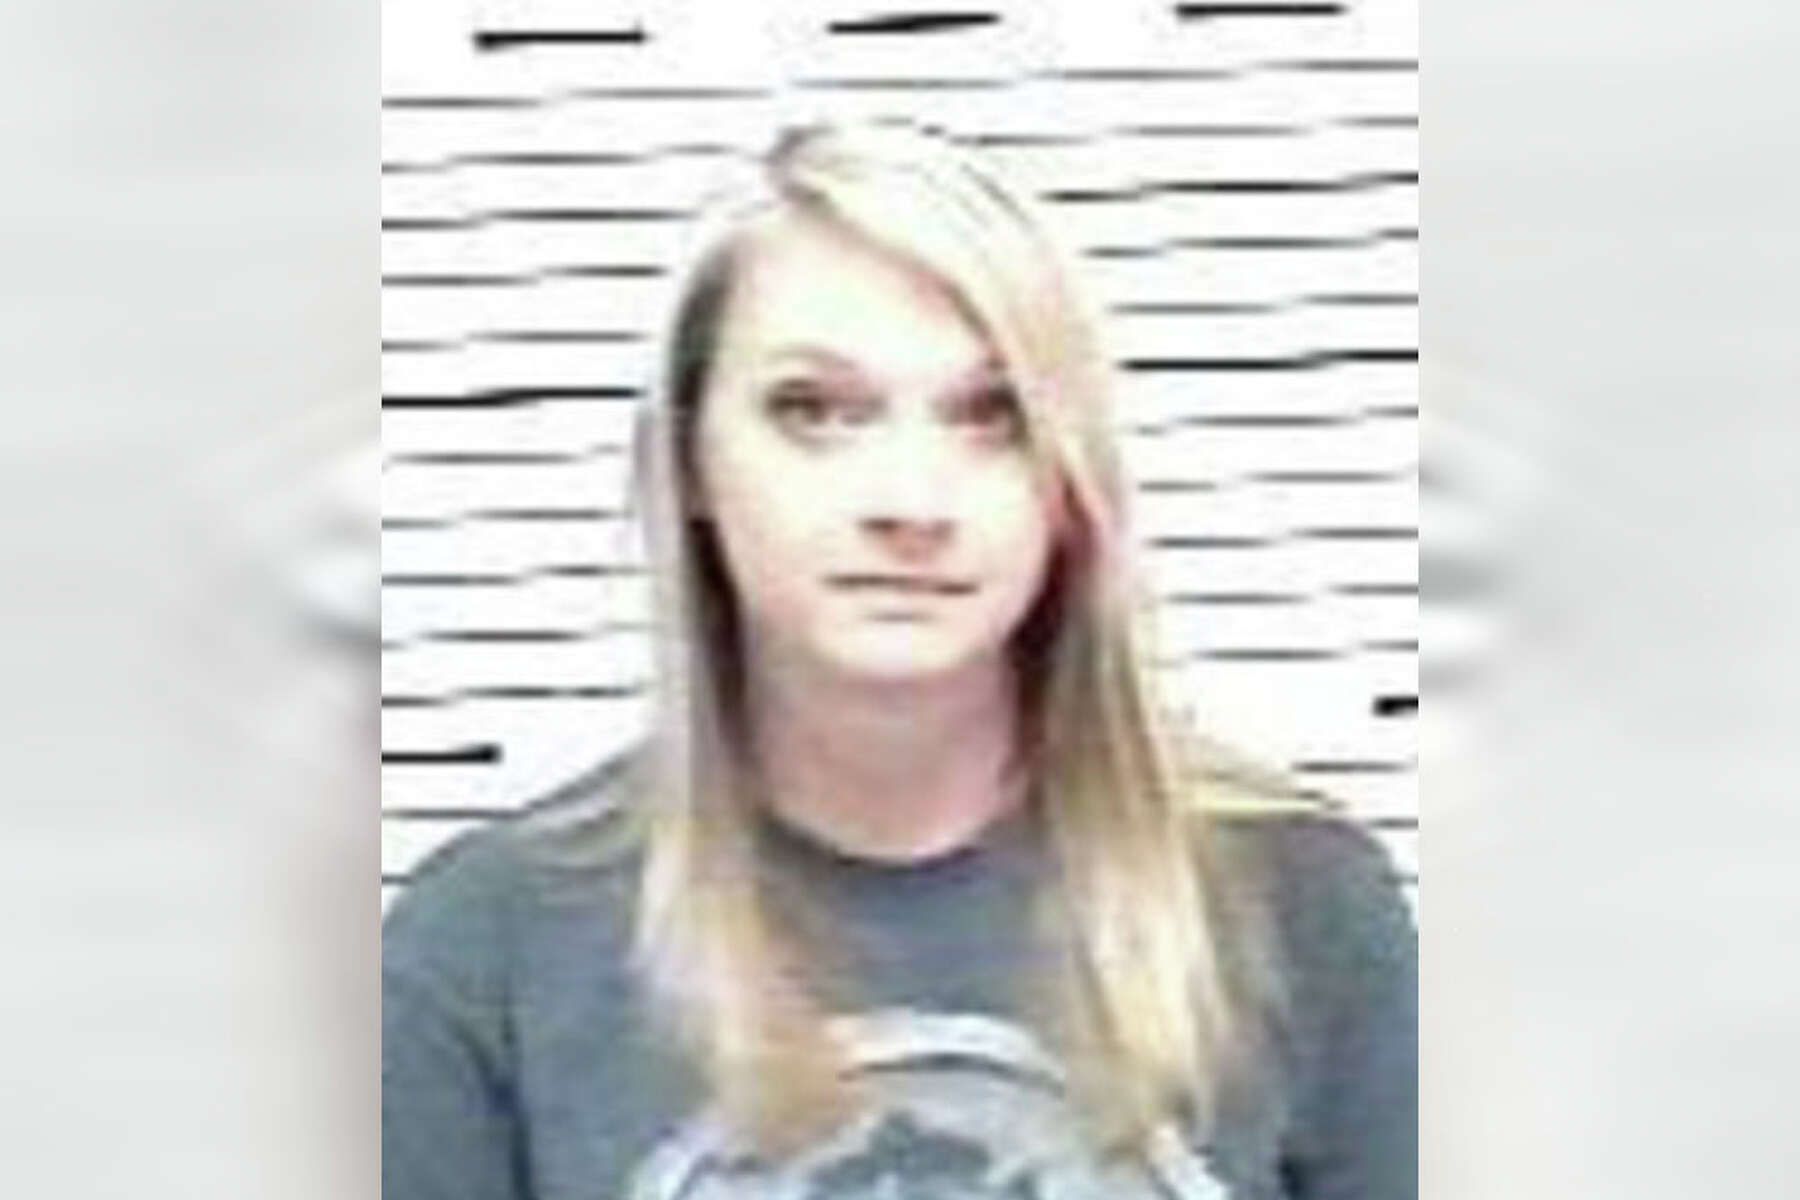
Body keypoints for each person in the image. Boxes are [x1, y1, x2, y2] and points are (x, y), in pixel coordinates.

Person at [383, 120, 1416, 1200]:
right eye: (815, 412)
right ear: (686, 462)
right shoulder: (487, 951)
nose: (911, 502)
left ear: (1070, 480)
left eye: (993, 417)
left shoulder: (1303, 907)